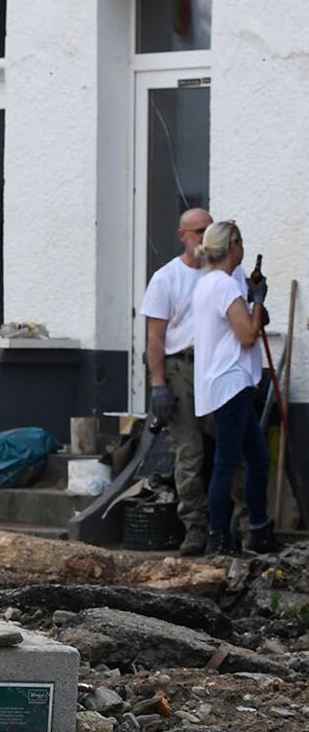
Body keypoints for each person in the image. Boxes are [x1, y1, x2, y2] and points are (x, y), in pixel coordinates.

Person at [142, 206, 229, 554]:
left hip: (217, 366)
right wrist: (158, 383)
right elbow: (155, 337)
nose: (204, 238)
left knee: (227, 447)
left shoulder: (221, 273)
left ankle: (230, 526)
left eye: (209, 230)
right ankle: (195, 528)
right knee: (189, 452)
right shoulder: (167, 278)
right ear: (182, 236)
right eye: (198, 231)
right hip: (183, 367)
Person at [190, 219, 276, 556]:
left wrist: (255, 305)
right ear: (233, 246)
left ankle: (257, 528)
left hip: (222, 381)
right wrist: (256, 300)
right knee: (227, 462)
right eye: (241, 244)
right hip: (231, 382)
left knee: (258, 458)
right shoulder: (225, 286)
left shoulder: (206, 283)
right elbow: (247, 335)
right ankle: (218, 537)